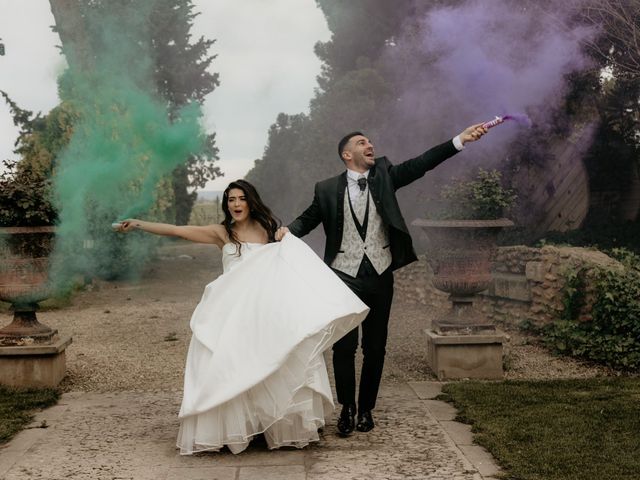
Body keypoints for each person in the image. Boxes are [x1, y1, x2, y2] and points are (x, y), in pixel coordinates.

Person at [117, 179, 369, 454]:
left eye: (241, 199)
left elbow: (291, 264)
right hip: (233, 312)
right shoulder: (222, 233)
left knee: (273, 363)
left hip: (266, 311)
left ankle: (274, 424)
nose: (236, 204)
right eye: (231, 200)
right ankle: (237, 429)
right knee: (232, 366)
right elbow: (179, 231)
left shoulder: (270, 230)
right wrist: (141, 224)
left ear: (251, 201)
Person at [275, 124, 488, 435]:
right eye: (362, 143)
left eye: (371, 141)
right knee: (345, 347)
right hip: (342, 276)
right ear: (347, 154)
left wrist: (459, 141)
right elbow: (307, 219)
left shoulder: (385, 175)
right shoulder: (325, 189)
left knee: (376, 347)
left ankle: (366, 410)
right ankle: (347, 408)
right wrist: (284, 233)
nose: (370, 145)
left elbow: (422, 163)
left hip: (379, 273)